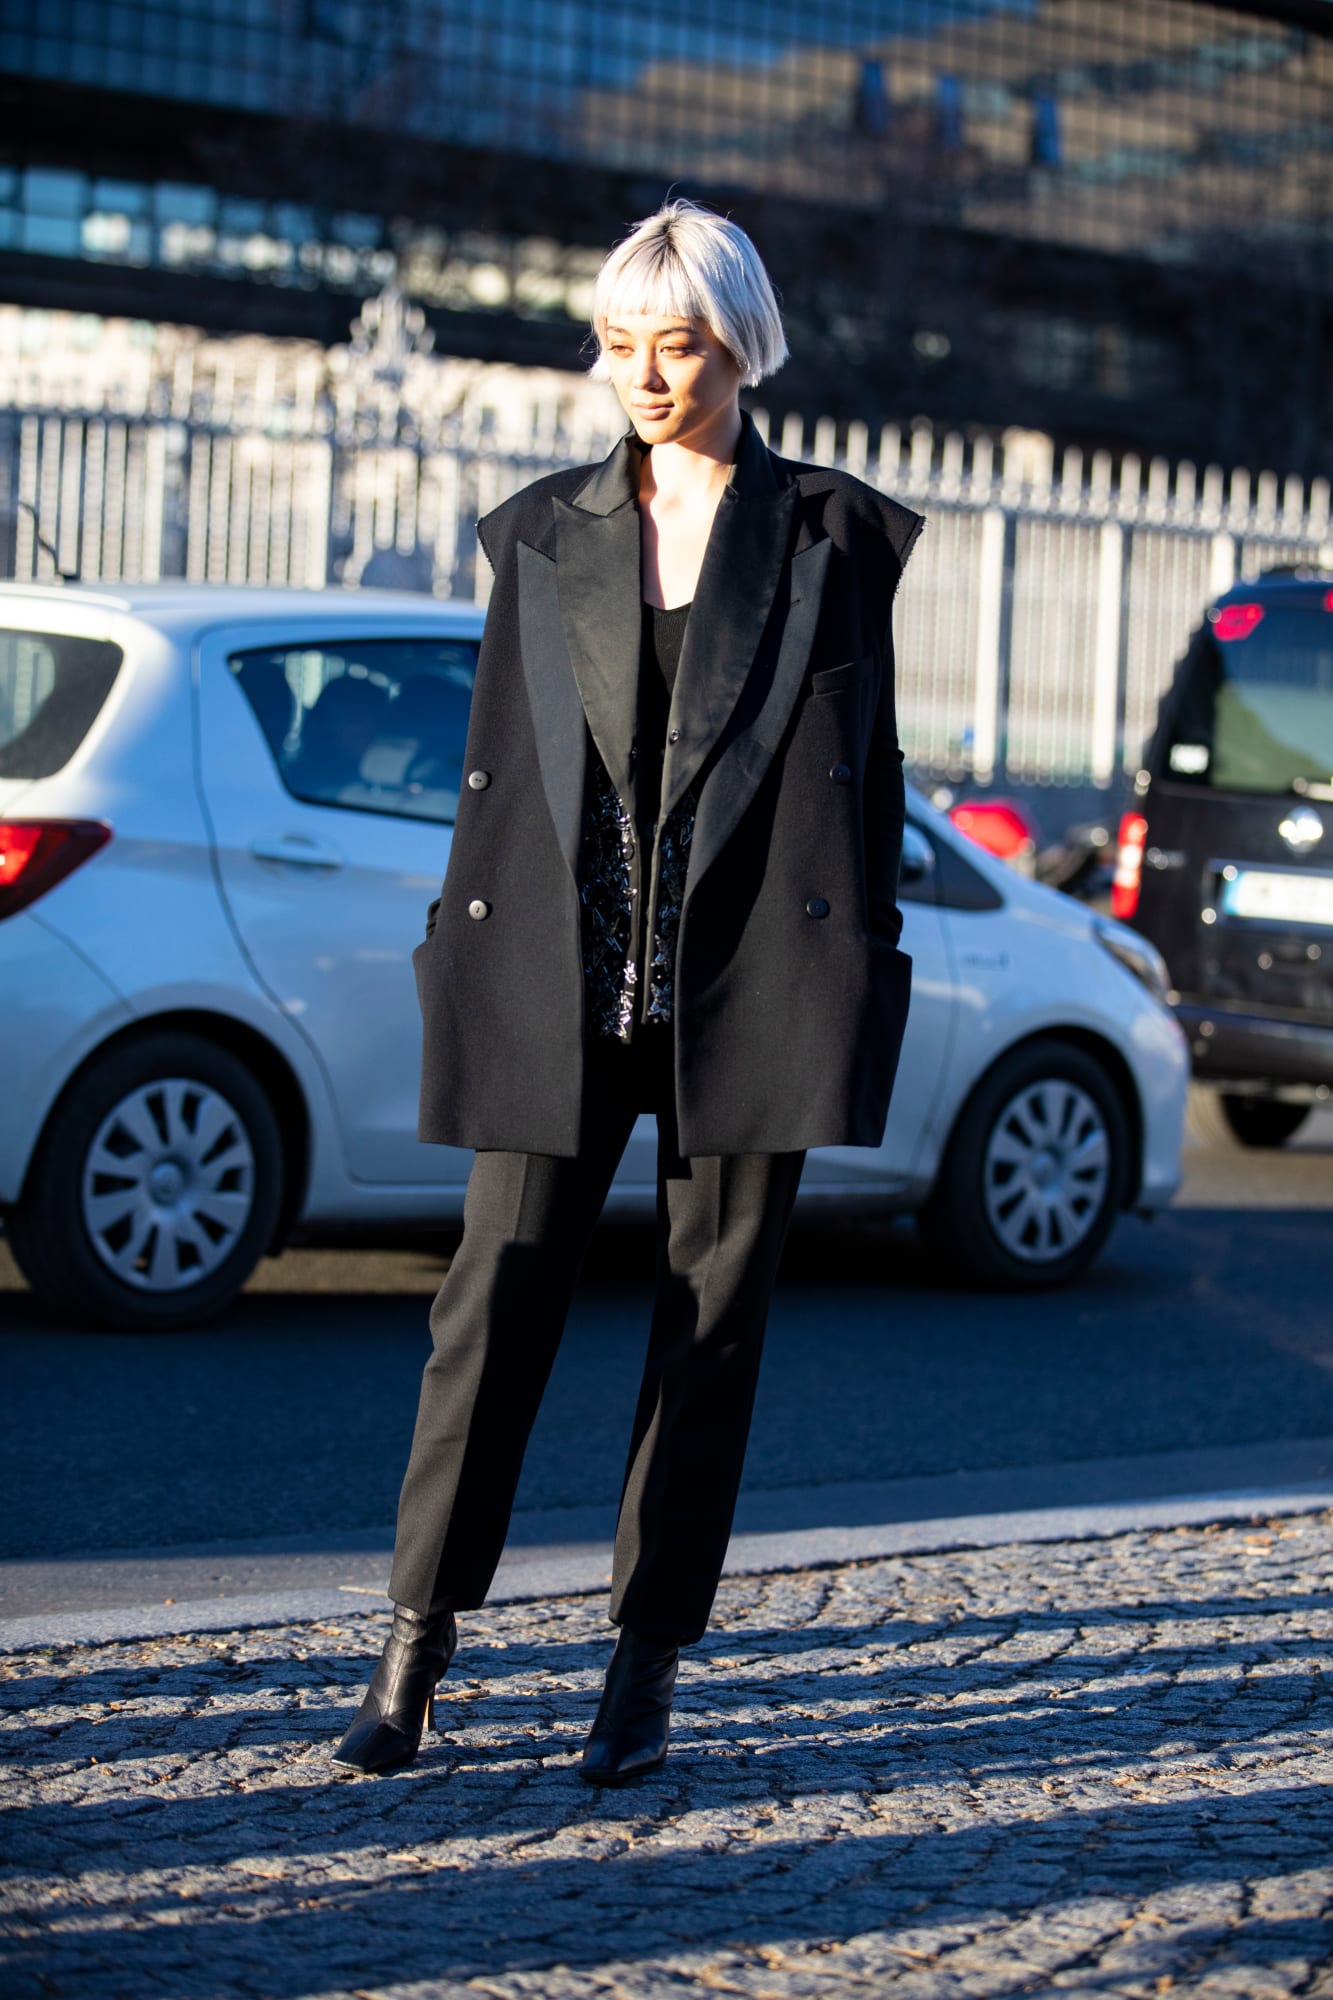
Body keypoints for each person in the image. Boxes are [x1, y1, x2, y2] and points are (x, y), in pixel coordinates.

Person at [333, 199, 924, 1785]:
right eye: (619, 344)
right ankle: (412, 1651)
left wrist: (860, 971)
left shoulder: (834, 537)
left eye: (679, 344)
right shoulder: (536, 532)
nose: (646, 376)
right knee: (490, 1301)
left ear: (741, 345)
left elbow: (866, 785)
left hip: (749, 978)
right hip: (557, 969)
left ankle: (642, 1668)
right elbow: (495, 789)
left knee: (709, 1327)